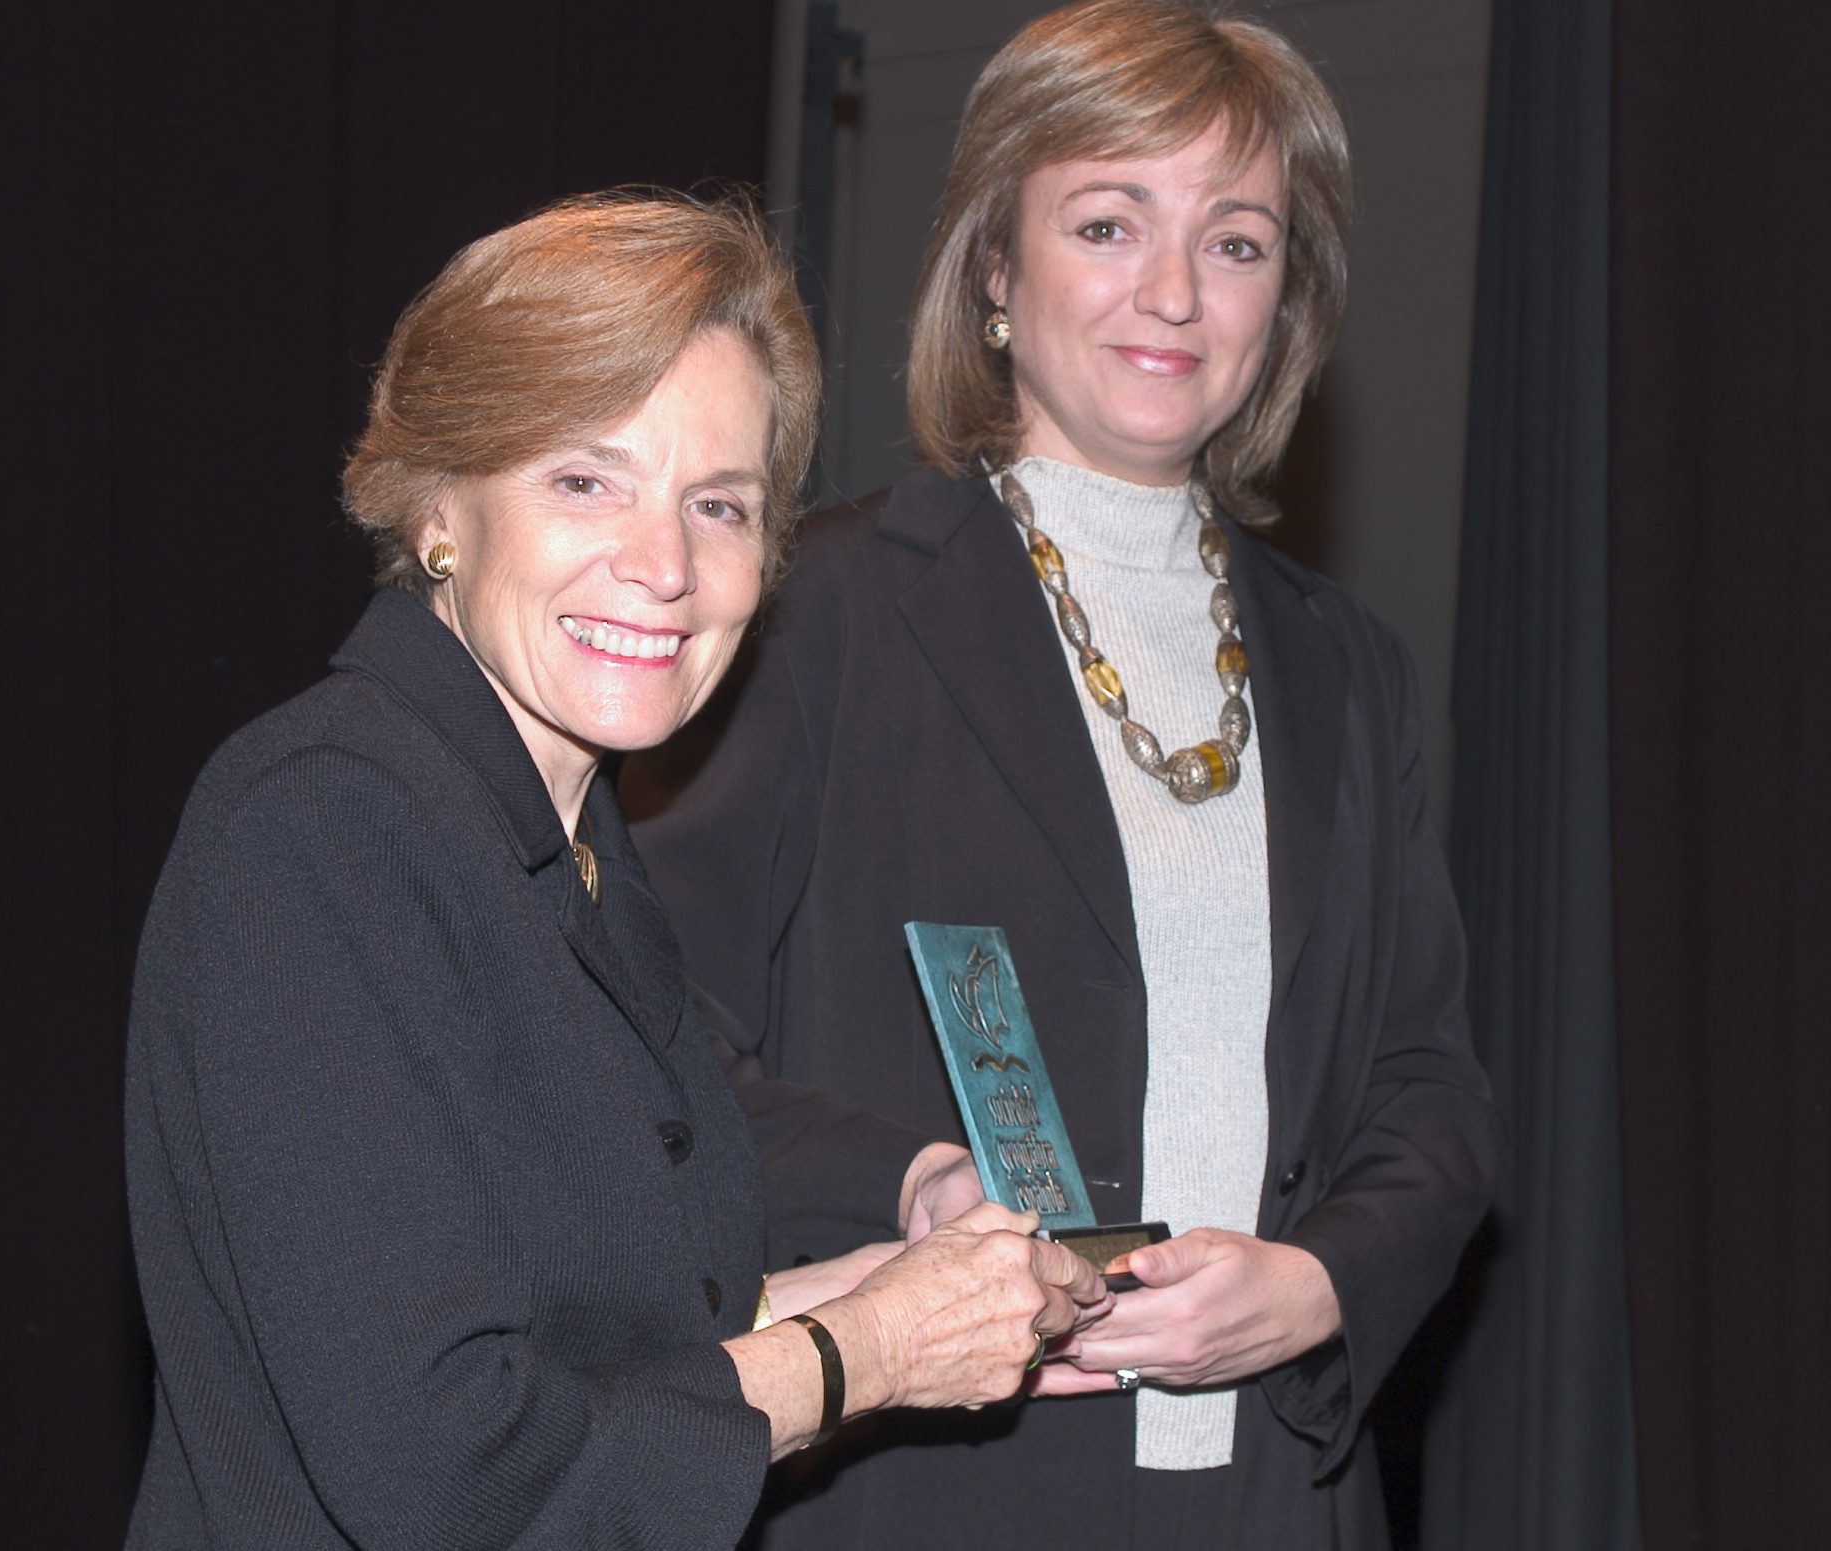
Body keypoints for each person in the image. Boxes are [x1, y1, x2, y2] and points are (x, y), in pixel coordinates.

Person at [626, 4, 1498, 1545]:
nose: (1174, 291)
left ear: (1286, 300)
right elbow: (647, 1050)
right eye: (1108, 224)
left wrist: (1320, 1282)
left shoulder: (1350, 669)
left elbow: (1427, 1092)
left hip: (1279, 1494)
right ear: (993, 268)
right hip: (920, 1487)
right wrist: (906, 1183)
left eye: (1237, 242)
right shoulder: (814, 616)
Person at [121, 190, 1107, 1550]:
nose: (665, 566)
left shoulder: (572, 847)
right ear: (439, 507)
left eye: (720, 505)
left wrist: (878, 1293)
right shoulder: (323, 824)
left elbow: (612, 1342)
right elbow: (448, 1470)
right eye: (586, 481)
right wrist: (869, 1351)